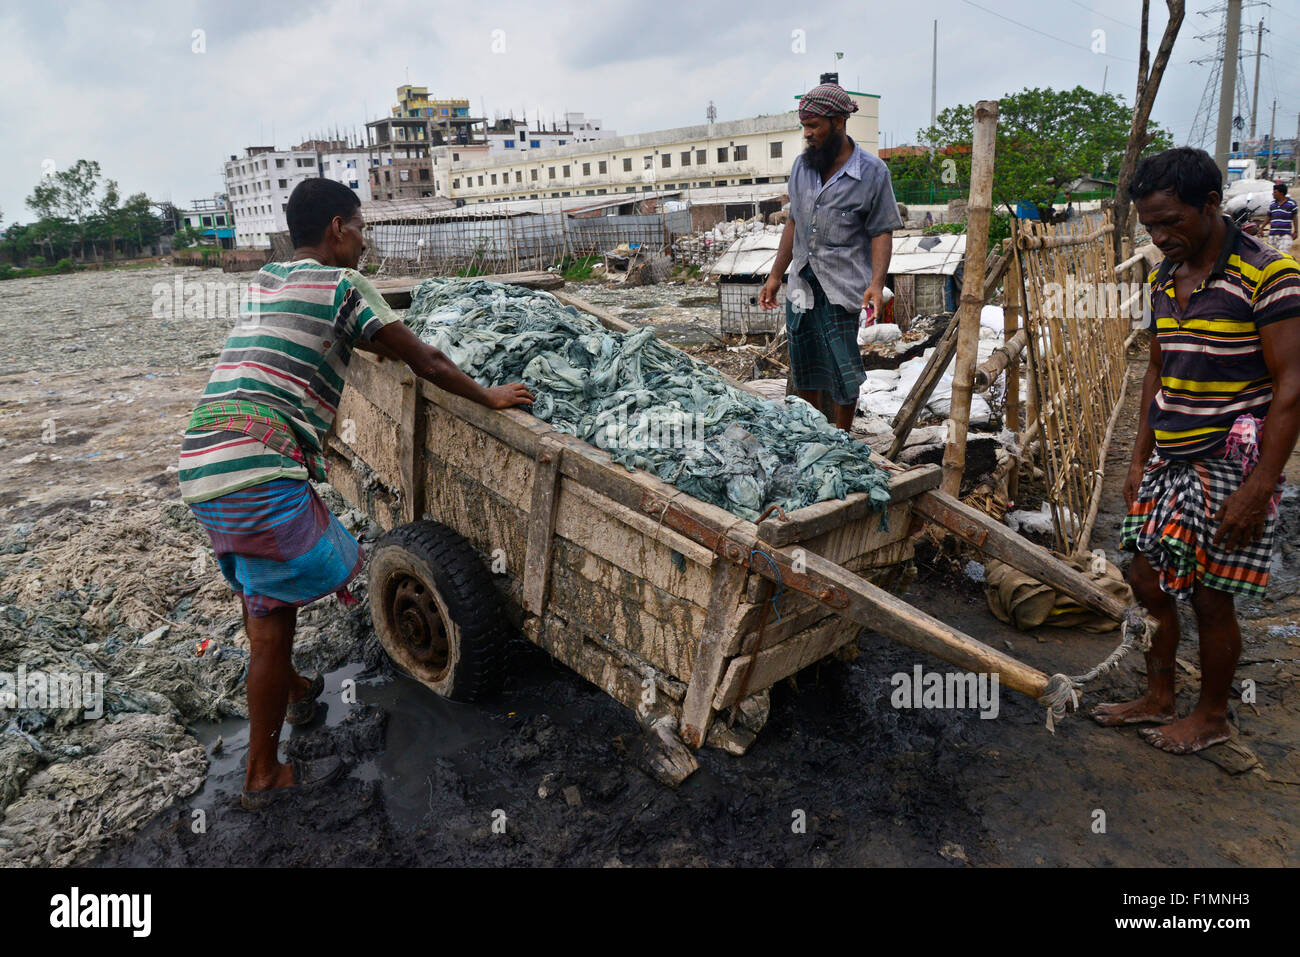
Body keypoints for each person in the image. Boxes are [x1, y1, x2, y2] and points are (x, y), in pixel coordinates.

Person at [178, 179, 534, 808]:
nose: (365, 242)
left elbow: (327, 340)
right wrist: (491, 397)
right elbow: (426, 360)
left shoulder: (268, 282)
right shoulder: (344, 286)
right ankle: (262, 772)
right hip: (258, 467)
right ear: (338, 228)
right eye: (362, 229)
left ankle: (291, 690)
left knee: (258, 590)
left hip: (203, 458)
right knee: (274, 615)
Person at [1092, 148, 1300, 753]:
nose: (1159, 237)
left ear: (1211, 205)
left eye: (1170, 222)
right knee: (1145, 577)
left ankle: (1211, 717)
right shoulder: (1163, 276)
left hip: (1230, 463)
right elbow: (1157, 368)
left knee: (1211, 596)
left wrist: (1261, 484)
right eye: (1149, 226)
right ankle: (1158, 697)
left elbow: (1292, 386)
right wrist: (1138, 458)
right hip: (1170, 458)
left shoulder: (1268, 275)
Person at [758, 80, 902, 431]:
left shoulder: (871, 172)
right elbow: (793, 221)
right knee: (804, 359)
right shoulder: (802, 167)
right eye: (804, 126)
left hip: (842, 284)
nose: (807, 134)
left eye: (814, 126)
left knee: (842, 367)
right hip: (802, 281)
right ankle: (811, 430)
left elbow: (881, 230)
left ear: (838, 123)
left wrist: (876, 283)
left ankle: (841, 435)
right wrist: (776, 275)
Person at [1267, 181, 1298, 254]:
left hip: (1285, 235)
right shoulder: (1272, 204)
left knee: (1282, 254)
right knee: (1271, 255)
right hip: (1272, 234)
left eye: (1275, 192)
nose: (1273, 194)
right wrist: (1261, 229)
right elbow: (1268, 217)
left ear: (1281, 193)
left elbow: (1295, 217)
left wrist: (1296, 231)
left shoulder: (1291, 204)